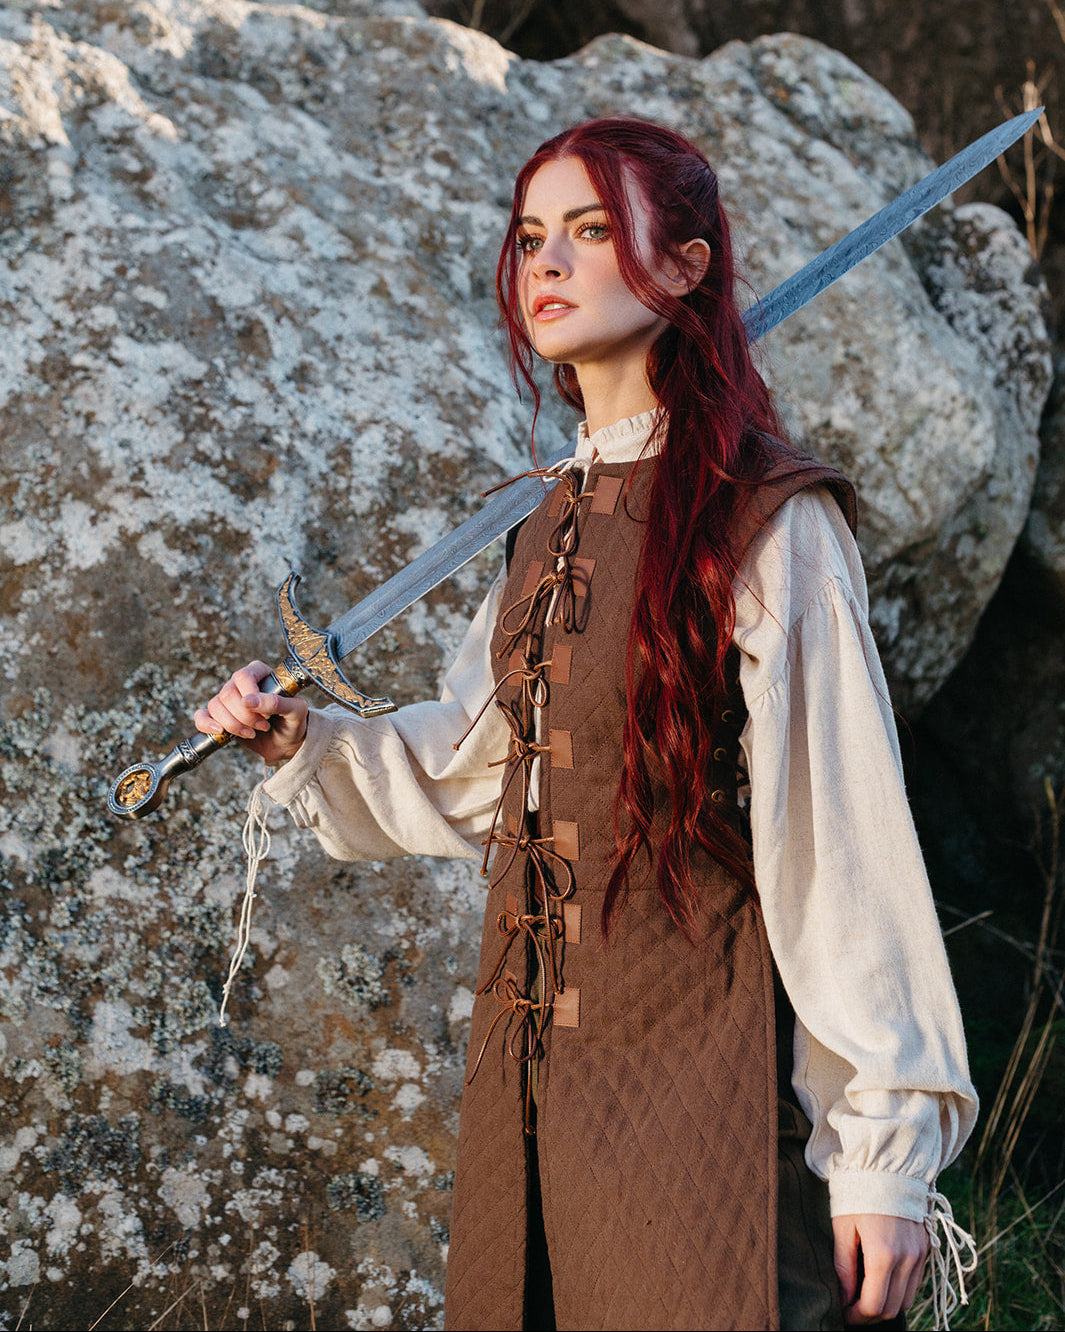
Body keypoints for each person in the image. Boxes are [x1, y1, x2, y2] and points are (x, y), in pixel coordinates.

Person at [195, 119, 978, 1332]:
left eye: (593, 230)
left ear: (688, 266)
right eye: (528, 239)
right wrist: (304, 745)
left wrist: (882, 1151)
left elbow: (842, 845)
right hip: (530, 1102)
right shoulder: (538, 523)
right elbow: (478, 774)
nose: (546, 265)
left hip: (705, 1101)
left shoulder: (769, 524)